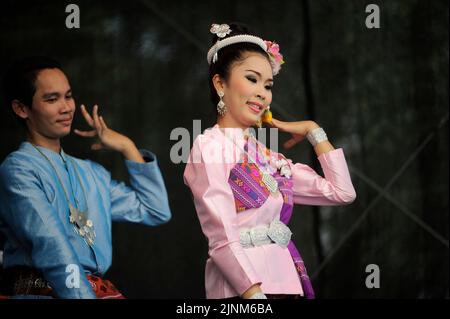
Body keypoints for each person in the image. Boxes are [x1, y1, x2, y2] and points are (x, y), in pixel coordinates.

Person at [183, 23, 356, 299]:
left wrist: (314, 130)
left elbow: (342, 193)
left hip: (286, 286)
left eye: (268, 84)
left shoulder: (270, 158)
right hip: (242, 292)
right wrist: (254, 297)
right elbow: (221, 238)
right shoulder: (210, 147)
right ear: (220, 84)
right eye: (252, 79)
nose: (263, 93)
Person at [0, 56, 171, 298]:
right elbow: (52, 247)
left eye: (68, 96)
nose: (66, 107)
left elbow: (155, 210)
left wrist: (127, 147)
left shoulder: (91, 173)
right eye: (52, 99)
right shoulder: (18, 170)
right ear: (21, 108)